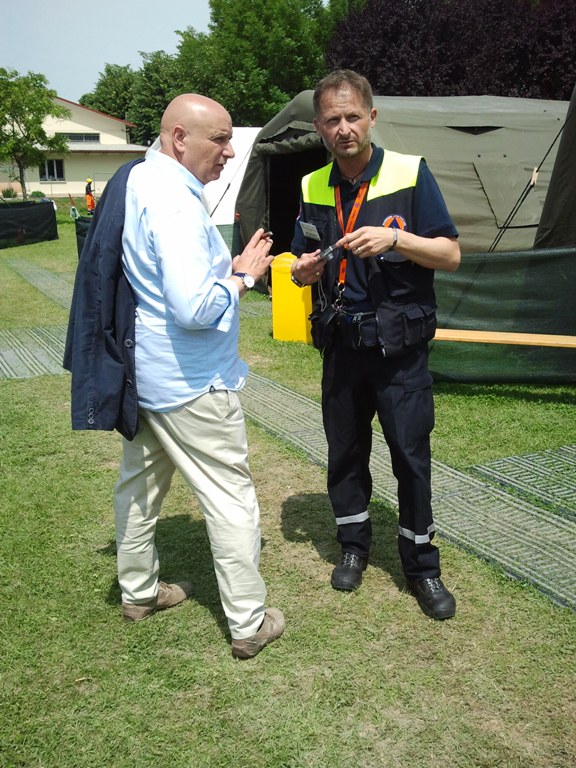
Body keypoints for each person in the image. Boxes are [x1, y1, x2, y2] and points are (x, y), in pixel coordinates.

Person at [67, 94, 285, 659]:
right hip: (192, 383)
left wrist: (231, 268)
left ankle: (138, 592)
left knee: (138, 488)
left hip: (148, 376)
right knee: (231, 498)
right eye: (220, 138)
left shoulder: (138, 178)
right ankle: (248, 622)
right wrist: (243, 277)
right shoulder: (178, 203)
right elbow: (194, 308)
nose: (231, 151)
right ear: (179, 138)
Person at [290, 70, 461, 620]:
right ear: (319, 127)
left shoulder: (411, 174)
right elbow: (296, 265)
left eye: (352, 117)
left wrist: (396, 238)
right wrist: (302, 271)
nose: (344, 129)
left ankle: (421, 566)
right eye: (332, 120)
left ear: (372, 117)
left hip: (399, 350)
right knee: (344, 454)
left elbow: (450, 254)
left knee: (410, 458)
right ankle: (354, 547)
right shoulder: (313, 185)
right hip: (342, 345)